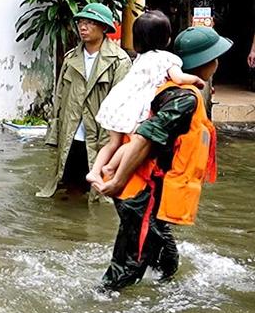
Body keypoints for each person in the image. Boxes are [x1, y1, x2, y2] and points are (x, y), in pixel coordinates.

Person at [94, 26, 232, 291]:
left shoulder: (175, 89)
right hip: (139, 191)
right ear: (209, 61)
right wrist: (118, 181)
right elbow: (144, 138)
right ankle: (99, 305)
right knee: (129, 266)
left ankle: (146, 298)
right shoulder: (183, 99)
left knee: (166, 261)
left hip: (146, 192)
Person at [87, 10, 204, 187]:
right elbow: (179, 78)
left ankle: (94, 171)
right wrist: (196, 80)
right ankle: (110, 168)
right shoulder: (167, 58)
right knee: (136, 142)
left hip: (116, 102)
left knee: (113, 143)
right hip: (133, 108)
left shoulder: (140, 58)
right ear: (167, 39)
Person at [39, 3, 131, 198]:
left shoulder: (119, 61)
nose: (83, 27)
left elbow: (123, 104)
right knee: (70, 190)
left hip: (102, 139)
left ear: (104, 28)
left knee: (101, 194)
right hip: (72, 135)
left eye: (90, 23)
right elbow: (60, 97)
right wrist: (55, 133)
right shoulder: (71, 58)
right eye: (81, 22)